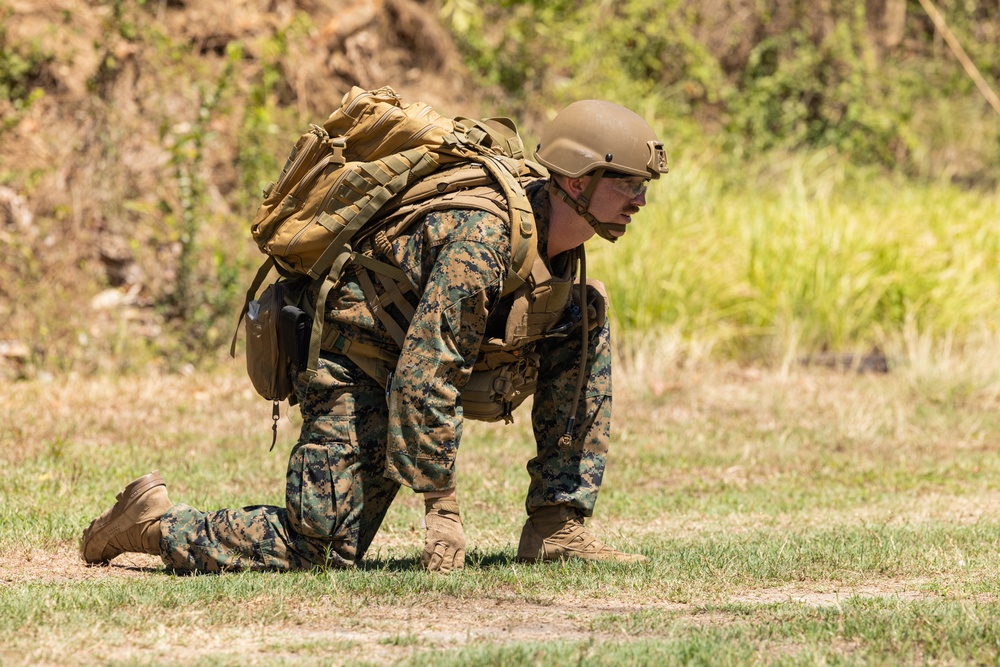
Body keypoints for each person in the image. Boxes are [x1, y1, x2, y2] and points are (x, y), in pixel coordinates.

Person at [80, 99, 669, 574]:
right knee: (318, 548)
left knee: (583, 315)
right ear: (578, 180)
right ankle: (149, 524)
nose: (639, 201)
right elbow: (428, 368)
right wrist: (441, 506)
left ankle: (555, 524)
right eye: (628, 185)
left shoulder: (560, 238)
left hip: (409, 357)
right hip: (354, 362)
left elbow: (441, 354)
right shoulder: (482, 238)